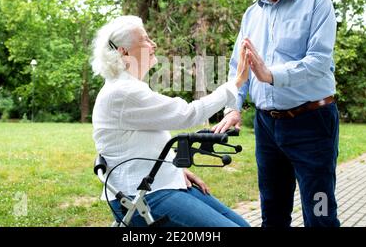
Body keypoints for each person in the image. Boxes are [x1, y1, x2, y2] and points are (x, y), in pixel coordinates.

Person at [212, 0, 341, 227]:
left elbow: (319, 62)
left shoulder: (317, 3)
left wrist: (270, 75)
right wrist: (233, 108)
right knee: (272, 212)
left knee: (320, 213)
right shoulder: (251, 14)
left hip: (312, 123)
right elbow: (239, 67)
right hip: (267, 127)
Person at [90, 15, 250, 227]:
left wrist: (175, 170)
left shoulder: (128, 87)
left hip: (156, 185)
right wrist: (237, 83)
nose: (153, 44)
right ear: (124, 51)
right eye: (145, 39)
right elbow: (187, 114)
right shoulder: (123, 92)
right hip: (142, 197)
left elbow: (142, 144)